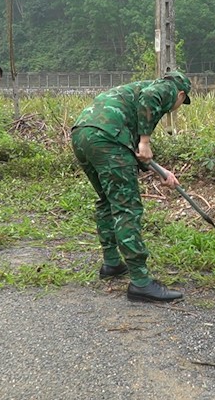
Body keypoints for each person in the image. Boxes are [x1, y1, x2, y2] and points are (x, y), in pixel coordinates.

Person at [70, 71, 192, 303]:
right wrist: (146, 141)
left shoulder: (132, 92)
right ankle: (140, 282)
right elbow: (149, 101)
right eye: (181, 103)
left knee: (107, 200)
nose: (178, 106)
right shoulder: (165, 90)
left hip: (83, 134)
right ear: (181, 94)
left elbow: (133, 150)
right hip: (107, 138)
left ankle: (112, 263)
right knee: (127, 208)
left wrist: (162, 172)